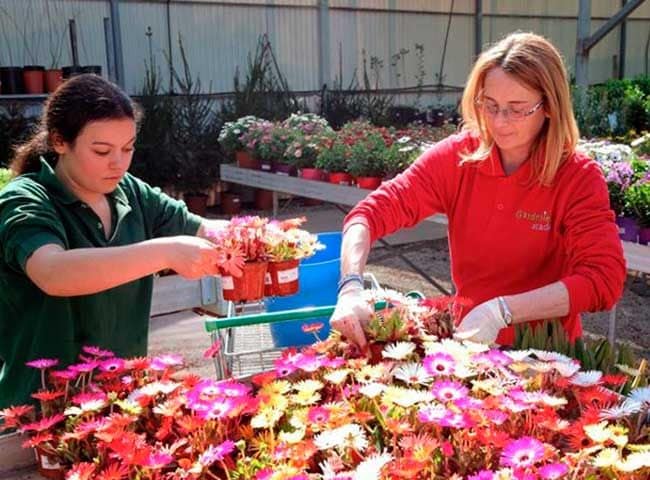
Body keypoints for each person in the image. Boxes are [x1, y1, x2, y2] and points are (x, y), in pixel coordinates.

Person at [331, 32, 626, 350]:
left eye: (517, 109)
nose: (500, 122)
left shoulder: (577, 177)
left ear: (549, 107)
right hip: (469, 344)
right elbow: (368, 215)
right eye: (491, 105)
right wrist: (350, 288)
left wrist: (503, 311)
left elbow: (603, 279)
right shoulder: (459, 157)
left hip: (545, 356)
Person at [0, 75, 228, 408]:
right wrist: (166, 252)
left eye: (128, 148)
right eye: (102, 150)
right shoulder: (26, 199)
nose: (118, 163)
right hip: (42, 409)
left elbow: (201, 229)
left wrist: (254, 236)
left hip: (122, 403)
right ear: (60, 141)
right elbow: (52, 272)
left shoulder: (132, 193)